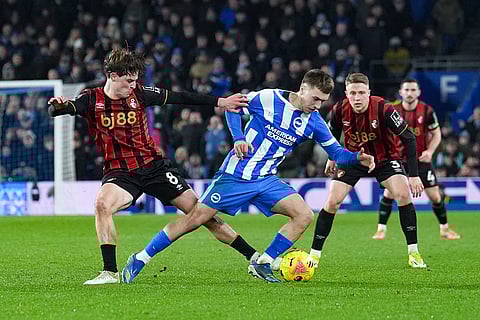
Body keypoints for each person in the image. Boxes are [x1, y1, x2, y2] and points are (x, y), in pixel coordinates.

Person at [122, 69, 375, 284]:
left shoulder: (315, 121)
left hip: (266, 179)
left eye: (322, 101)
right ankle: (141, 257)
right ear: (303, 88)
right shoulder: (268, 98)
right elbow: (233, 108)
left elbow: (337, 153)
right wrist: (239, 138)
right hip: (236, 174)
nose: (317, 105)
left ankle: (263, 262)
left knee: (304, 214)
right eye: (316, 99)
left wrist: (357, 158)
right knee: (195, 220)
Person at [48, 48, 261, 285]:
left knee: (202, 214)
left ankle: (254, 257)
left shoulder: (140, 94)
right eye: (129, 80)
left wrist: (221, 102)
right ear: (112, 75)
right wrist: (58, 106)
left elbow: (181, 97)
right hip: (120, 173)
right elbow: (62, 109)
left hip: (155, 167)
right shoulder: (91, 99)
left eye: (136, 80)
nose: (133, 85)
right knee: (102, 205)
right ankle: (110, 272)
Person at [309, 72, 428, 269]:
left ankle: (413, 252)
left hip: (385, 159)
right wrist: (332, 157)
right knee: (332, 201)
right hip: (354, 159)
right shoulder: (339, 109)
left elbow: (409, 137)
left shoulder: (384, 108)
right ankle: (314, 255)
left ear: (369, 92)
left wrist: (414, 175)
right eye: (353, 93)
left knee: (403, 194)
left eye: (361, 93)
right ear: (346, 93)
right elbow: (333, 134)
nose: (357, 98)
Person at [372, 79, 460, 240]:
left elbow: (437, 134)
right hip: (397, 160)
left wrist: (430, 151)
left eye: (413, 90)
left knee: (435, 196)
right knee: (389, 193)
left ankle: (445, 229)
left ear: (419, 92)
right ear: (401, 92)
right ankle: (381, 229)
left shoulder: (426, 111)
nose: (410, 93)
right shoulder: (392, 110)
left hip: (421, 160)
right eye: (407, 90)